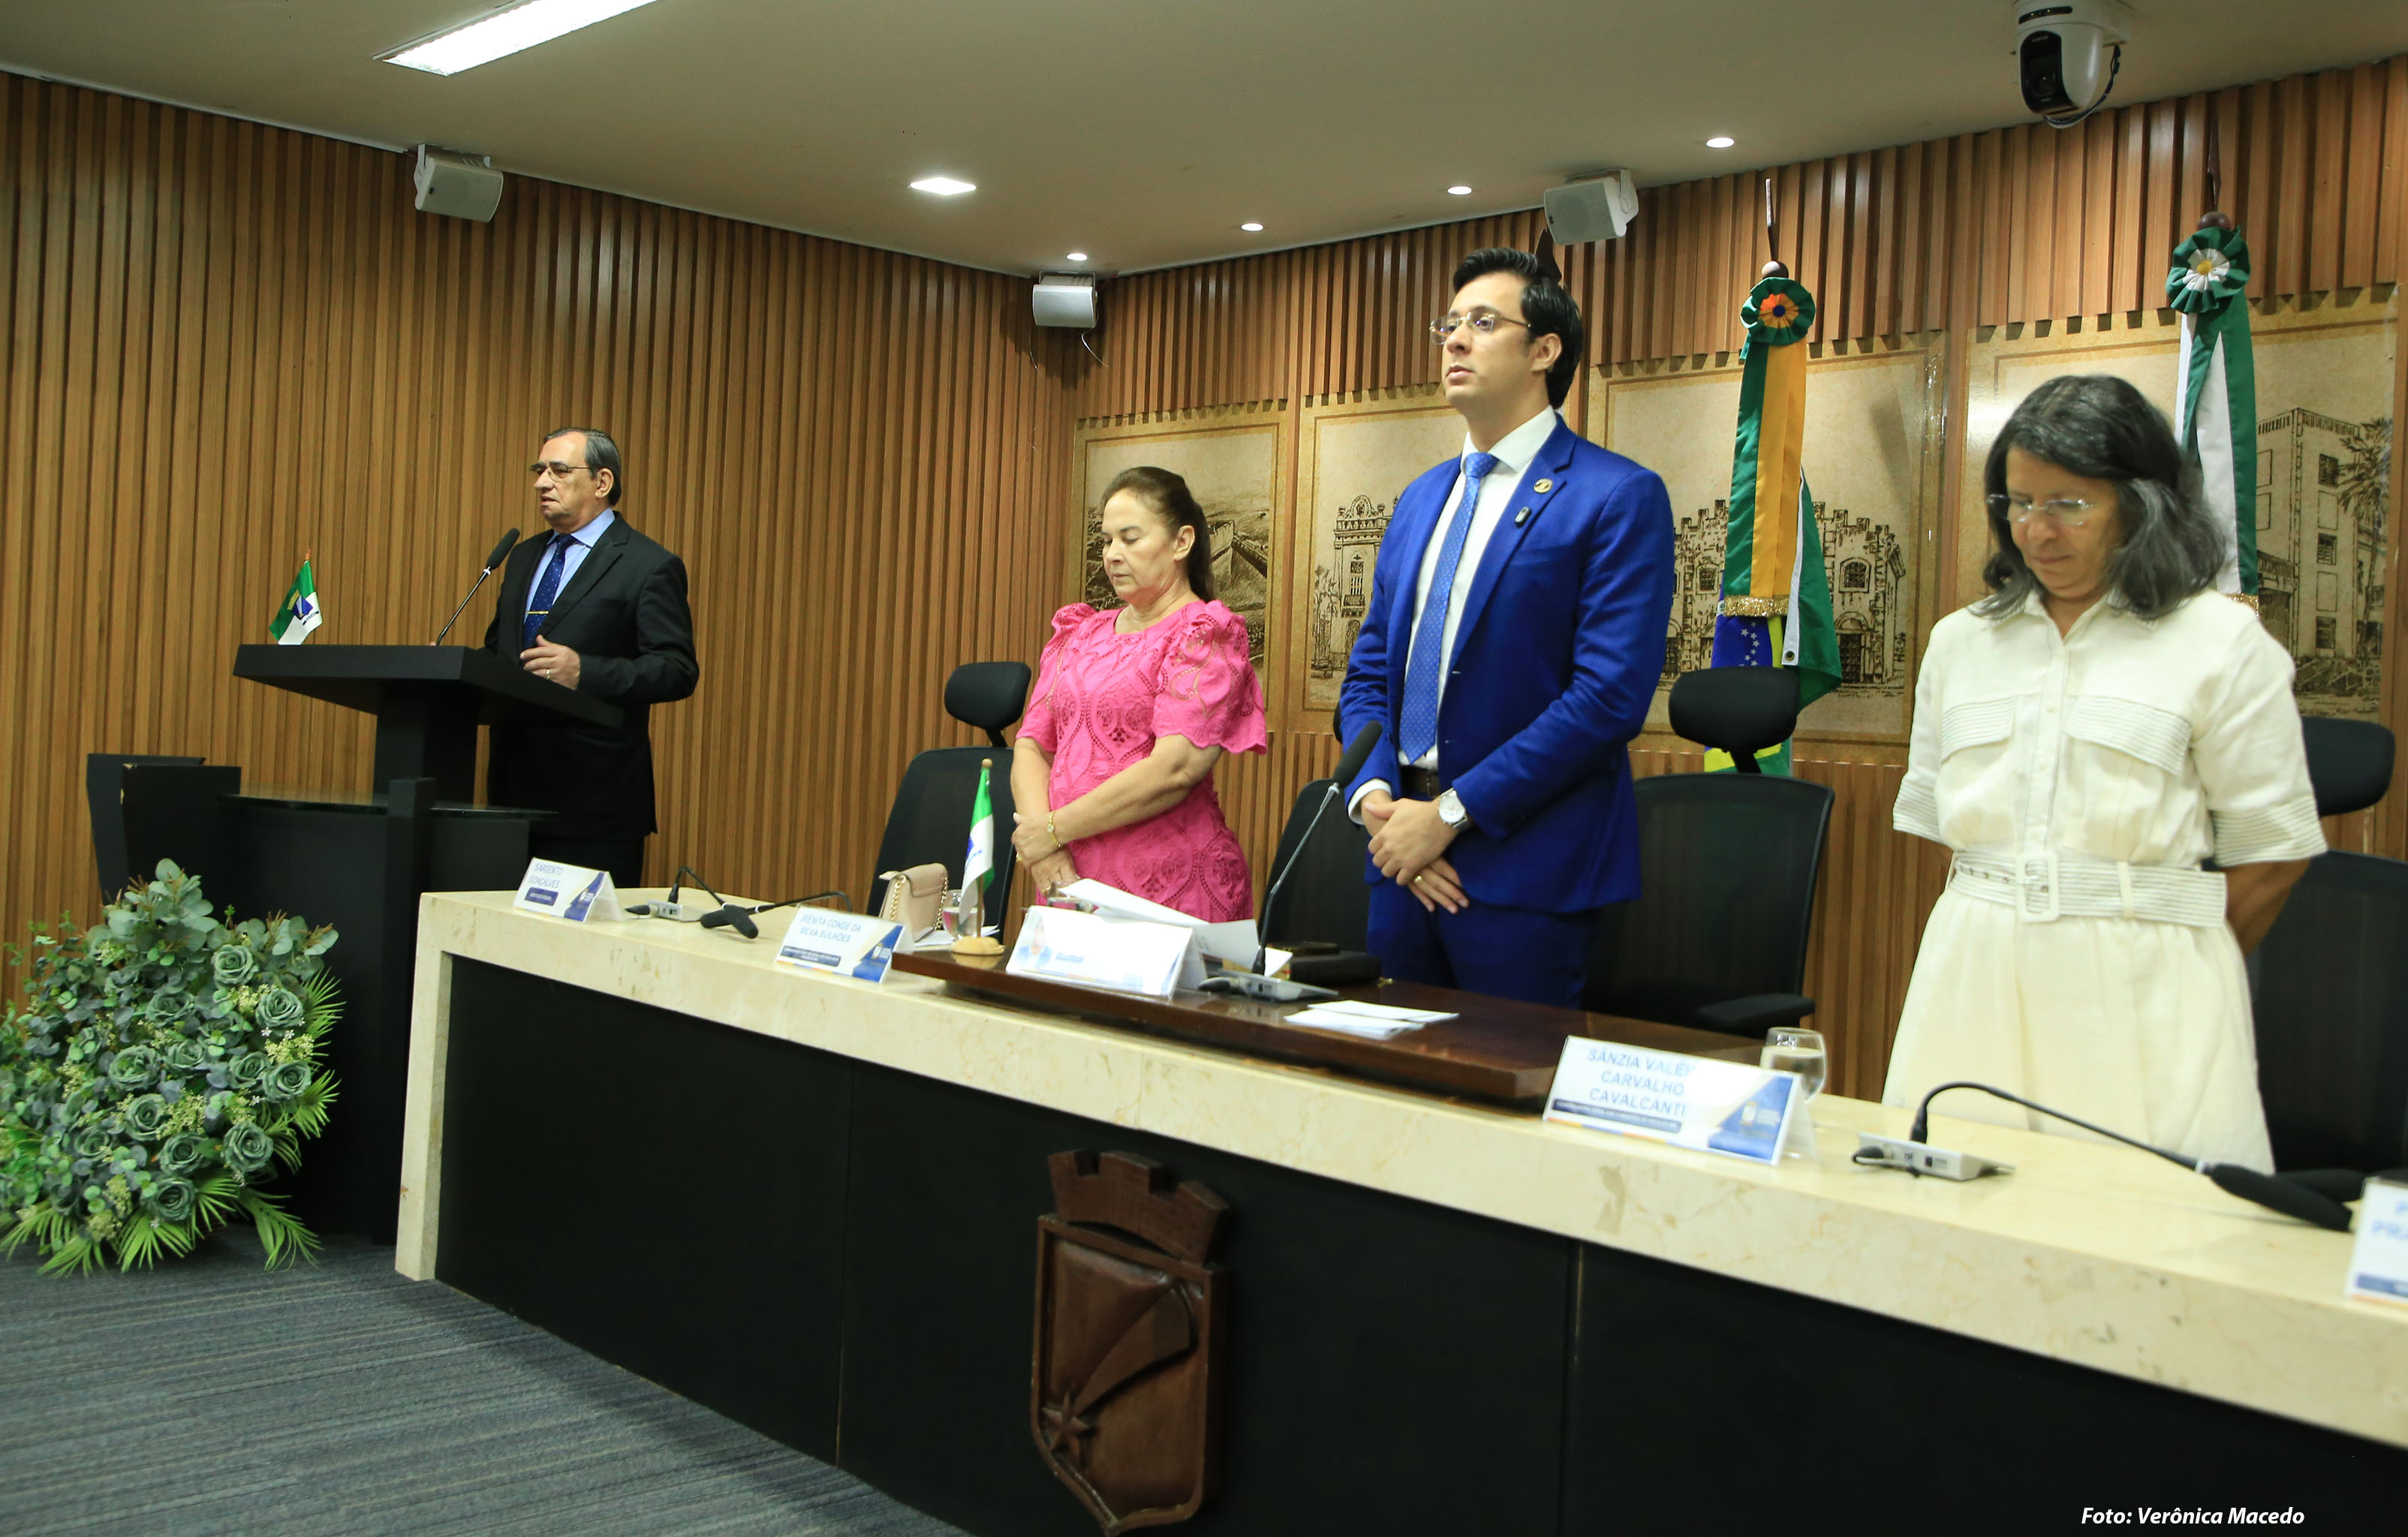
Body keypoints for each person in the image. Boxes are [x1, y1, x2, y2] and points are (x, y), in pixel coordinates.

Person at [1885, 375, 2321, 1170]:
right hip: (1972, 974)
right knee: (1948, 1203)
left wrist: (2164, 948)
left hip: (2145, 986)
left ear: (2141, 503)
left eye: (2068, 505)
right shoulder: (1959, 643)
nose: (2036, 531)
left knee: (2138, 1213)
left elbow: (2274, 852)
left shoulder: (2220, 643)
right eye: (2018, 503)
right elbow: (1948, 831)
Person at [1336, 248, 1675, 1006]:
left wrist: (1451, 816)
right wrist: (1375, 800)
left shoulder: (1615, 495)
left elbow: (1607, 698)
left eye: (1484, 323)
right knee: (1386, 1073)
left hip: (1524, 870)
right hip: (1399, 857)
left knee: (1508, 1074)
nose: (1455, 340)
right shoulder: (1420, 499)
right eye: (1449, 324)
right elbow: (1369, 673)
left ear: (1544, 351)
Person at [1009, 467, 1267, 922]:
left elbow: (1174, 769)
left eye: (1130, 539)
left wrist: (1051, 830)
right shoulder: (1080, 632)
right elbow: (1032, 745)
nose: (1112, 555)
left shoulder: (1205, 634)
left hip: (1169, 888)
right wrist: (1045, 852)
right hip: (1067, 880)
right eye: (1107, 541)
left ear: (1181, 543)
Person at [483, 427, 699, 888]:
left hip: (593, 804)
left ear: (602, 482)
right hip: (508, 802)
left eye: (559, 471)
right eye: (539, 470)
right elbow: (502, 653)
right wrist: (451, 670)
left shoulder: (647, 564)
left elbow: (677, 670)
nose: (542, 482)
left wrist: (585, 671)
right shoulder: (522, 557)